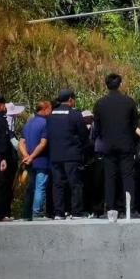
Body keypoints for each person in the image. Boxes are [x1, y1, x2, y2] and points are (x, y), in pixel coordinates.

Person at [93, 73, 140, 215]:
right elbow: (135, 125)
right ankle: (129, 208)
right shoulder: (129, 102)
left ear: (106, 85)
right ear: (120, 84)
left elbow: (97, 126)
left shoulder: (100, 103)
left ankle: (110, 208)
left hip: (108, 146)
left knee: (110, 178)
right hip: (126, 145)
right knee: (127, 177)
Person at [47, 89, 90, 219]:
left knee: (58, 184)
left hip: (55, 155)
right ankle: (76, 212)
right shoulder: (75, 114)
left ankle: (59, 212)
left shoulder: (51, 115)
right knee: (75, 184)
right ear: (71, 100)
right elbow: (84, 134)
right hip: (71, 155)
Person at [18, 101, 51, 220]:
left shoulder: (28, 123)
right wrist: (32, 157)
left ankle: (27, 214)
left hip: (29, 163)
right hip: (42, 161)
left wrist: (26, 156)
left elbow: (21, 143)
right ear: (45, 109)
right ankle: (37, 213)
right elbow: (43, 143)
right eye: (50, 109)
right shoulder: (46, 123)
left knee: (31, 187)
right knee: (40, 188)